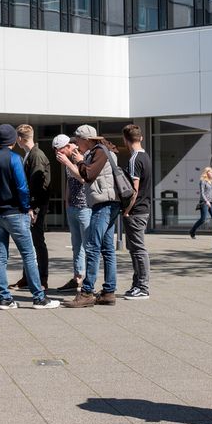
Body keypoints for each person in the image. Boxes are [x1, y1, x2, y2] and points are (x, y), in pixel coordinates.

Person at [0, 124, 58, 310]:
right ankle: (39, 297)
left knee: (0, 256)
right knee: (29, 255)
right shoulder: (15, 159)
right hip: (15, 213)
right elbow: (22, 188)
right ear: (14, 140)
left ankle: (4, 298)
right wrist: (26, 206)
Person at [60, 125, 119, 308]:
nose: (76, 144)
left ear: (86, 139)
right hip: (109, 202)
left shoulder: (99, 151)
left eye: (77, 140)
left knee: (93, 247)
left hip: (103, 204)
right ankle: (109, 292)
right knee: (107, 248)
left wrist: (78, 161)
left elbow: (88, 175)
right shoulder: (103, 151)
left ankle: (87, 292)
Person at [11, 124, 51, 290]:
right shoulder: (31, 154)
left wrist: (32, 207)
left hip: (36, 206)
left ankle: (41, 279)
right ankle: (28, 277)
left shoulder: (36, 156)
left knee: (37, 242)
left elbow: (37, 184)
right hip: (33, 205)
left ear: (20, 139)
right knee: (30, 243)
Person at [51, 134, 88, 292]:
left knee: (88, 245)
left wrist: (68, 162)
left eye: (60, 151)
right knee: (76, 245)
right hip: (72, 207)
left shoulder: (81, 157)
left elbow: (83, 178)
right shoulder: (66, 160)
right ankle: (77, 278)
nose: (58, 155)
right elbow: (69, 181)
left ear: (68, 146)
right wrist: (66, 201)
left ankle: (89, 281)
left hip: (85, 207)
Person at [121, 124, 153, 300]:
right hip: (143, 209)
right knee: (135, 249)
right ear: (140, 138)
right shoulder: (145, 157)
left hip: (136, 211)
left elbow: (134, 189)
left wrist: (126, 210)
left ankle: (142, 287)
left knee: (138, 249)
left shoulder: (134, 159)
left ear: (125, 140)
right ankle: (137, 285)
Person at [190, 167, 212, 238]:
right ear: (206, 172)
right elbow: (202, 193)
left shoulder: (211, 182)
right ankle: (192, 231)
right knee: (203, 219)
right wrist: (206, 201)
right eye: (210, 172)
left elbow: (211, 193)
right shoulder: (202, 181)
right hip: (204, 202)